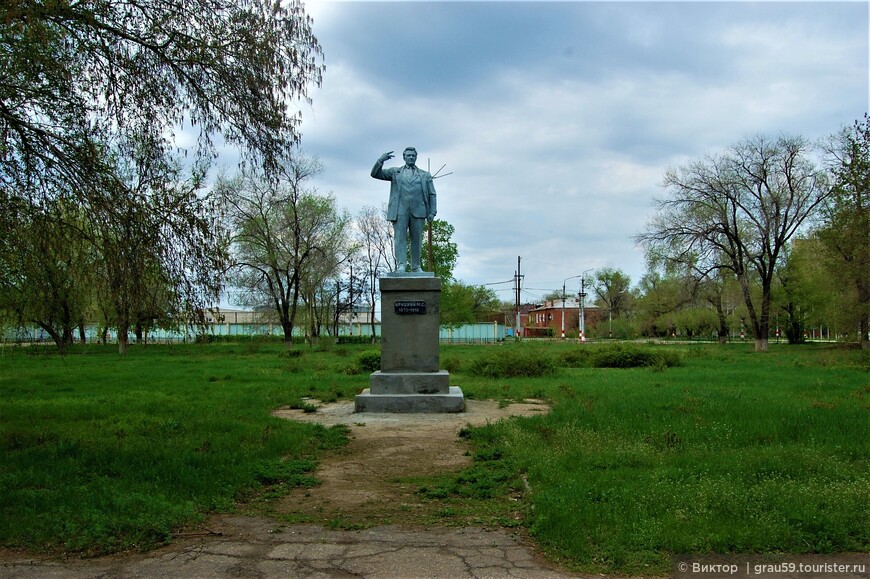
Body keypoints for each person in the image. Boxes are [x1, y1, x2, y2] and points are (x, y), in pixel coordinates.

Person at [371, 147, 437, 272]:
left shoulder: (425, 175)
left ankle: (416, 266)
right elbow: (375, 174)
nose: (411, 157)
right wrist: (381, 160)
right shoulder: (395, 172)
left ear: (416, 157)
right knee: (400, 238)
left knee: (417, 240)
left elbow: (432, 194)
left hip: (419, 212)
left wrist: (432, 212)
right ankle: (401, 265)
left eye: (413, 155)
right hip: (400, 211)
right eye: (408, 155)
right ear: (404, 157)